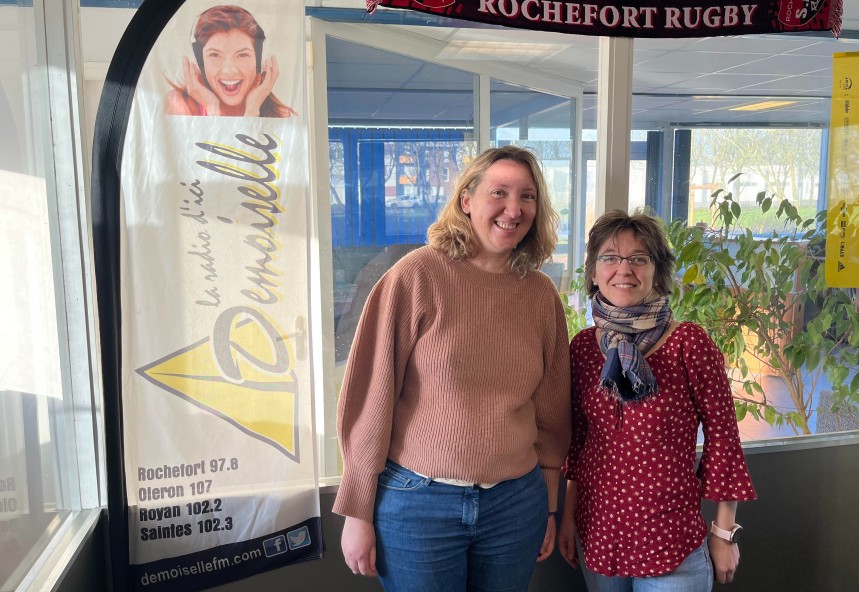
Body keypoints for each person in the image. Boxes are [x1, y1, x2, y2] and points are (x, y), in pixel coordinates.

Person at [333, 146, 572, 591]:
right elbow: (370, 397)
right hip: (418, 505)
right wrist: (357, 511)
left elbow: (552, 413)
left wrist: (549, 505)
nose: (514, 209)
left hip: (515, 505)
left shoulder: (541, 296)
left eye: (527, 196)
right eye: (499, 192)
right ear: (466, 200)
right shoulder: (416, 276)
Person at [557, 209, 756, 591]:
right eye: (610, 257)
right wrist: (568, 517)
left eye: (638, 258)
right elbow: (579, 444)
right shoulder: (582, 348)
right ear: (594, 272)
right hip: (599, 536)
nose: (624, 269)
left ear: (657, 271)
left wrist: (724, 532)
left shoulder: (689, 344)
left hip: (670, 542)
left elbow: (724, 439)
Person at [164, 5, 295, 117]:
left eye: (242, 55)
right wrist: (212, 107)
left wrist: (252, 110)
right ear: (199, 61)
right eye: (215, 55)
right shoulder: (179, 104)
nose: (230, 71)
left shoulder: (282, 114)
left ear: (259, 60)